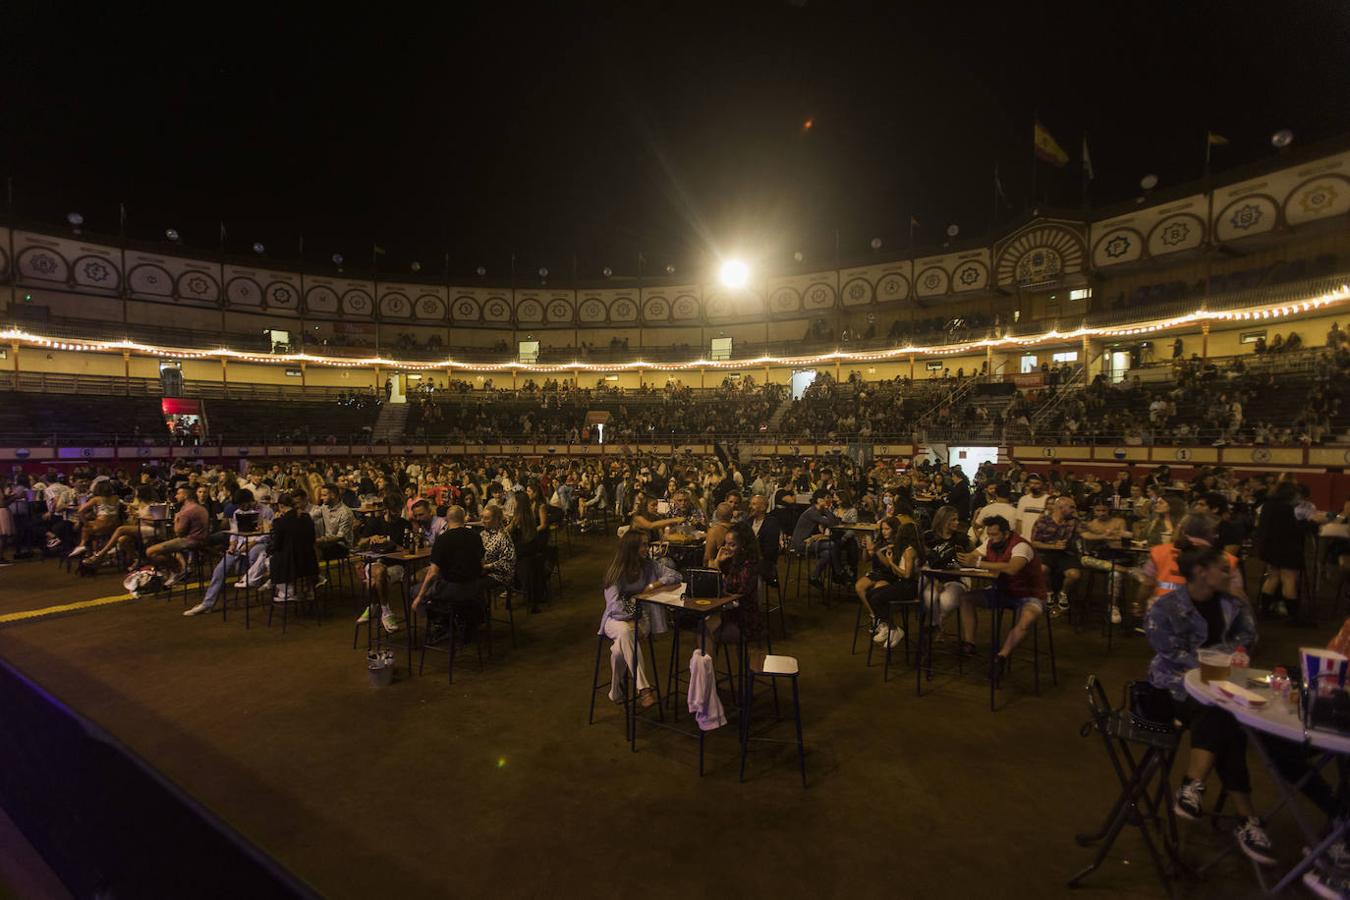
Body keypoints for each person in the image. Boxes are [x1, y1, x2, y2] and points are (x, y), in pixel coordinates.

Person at [1145, 545, 1271, 865]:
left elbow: (1250, 639)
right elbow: (1170, 655)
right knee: (1223, 715)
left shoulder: (1231, 603)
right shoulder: (1166, 608)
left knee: (1223, 718)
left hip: (1220, 690)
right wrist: (1215, 668)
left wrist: (1241, 602)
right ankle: (1246, 819)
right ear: (1201, 571)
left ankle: (1194, 787)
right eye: (1223, 568)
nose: (1230, 574)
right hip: (1172, 691)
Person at [596, 530, 681, 709]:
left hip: (639, 621)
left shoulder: (649, 565)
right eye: (643, 544)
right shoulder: (616, 570)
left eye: (646, 544)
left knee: (620, 648)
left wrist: (652, 585)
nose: (647, 548)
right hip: (615, 621)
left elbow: (675, 575)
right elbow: (614, 606)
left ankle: (615, 690)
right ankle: (643, 689)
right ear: (631, 547)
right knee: (625, 632)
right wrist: (631, 616)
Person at [956, 515, 1047, 681]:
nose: (991, 538)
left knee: (1026, 619)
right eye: (989, 534)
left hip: (1029, 594)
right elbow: (972, 556)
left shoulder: (1020, 546)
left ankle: (1002, 656)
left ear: (1006, 534)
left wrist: (977, 563)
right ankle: (969, 644)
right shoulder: (990, 543)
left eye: (994, 534)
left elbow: (1012, 568)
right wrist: (963, 558)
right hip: (1003, 591)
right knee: (966, 599)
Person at [183, 489, 274, 616]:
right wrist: (232, 544)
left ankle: (255, 580)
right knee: (219, 570)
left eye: (243, 504)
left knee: (254, 555)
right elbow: (234, 533)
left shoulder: (266, 511)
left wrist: (251, 544)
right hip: (240, 545)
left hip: (258, 543)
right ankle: (207, 604)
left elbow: (268, 535)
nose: (241, 507)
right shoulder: (237, 512)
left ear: (250, 501)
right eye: (239, 505)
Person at [412, 505, 484, 644]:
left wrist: (419, 597)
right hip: (473, 587)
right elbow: (481, 565)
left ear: (447, 519)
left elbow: (432, 573)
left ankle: (442, 624)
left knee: (414, 590)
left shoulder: (442, 540)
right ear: (463, 518)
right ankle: (456, 621)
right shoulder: (476, 536)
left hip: (453, 589)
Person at [856, 516, 921, 649]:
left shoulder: (899, 546)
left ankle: (886, 624)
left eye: (887, 529)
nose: (884, 531)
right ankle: (879, 619)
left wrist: (877, 551)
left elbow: (890, 567)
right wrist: (865, 548)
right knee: (860, 587)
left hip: (890, 575)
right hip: (878, 573)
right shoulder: (880, 541)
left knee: (876, 594)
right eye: (882, 529)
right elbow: (865, 560)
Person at [351, 495, 413, 633]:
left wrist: (394, 546)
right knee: (379, 570)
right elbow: (359, 544)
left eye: (399, 510)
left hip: (396, 565)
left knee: (374, 581)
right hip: (375, 563)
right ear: (386, 509)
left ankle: (373, 605)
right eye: (394, 510)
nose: (397, 513)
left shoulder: (404, 524)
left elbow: (408, 549)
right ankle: (386, 612)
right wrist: (370, 538)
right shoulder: (374, 523)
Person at [1255, 481, 1305, 619]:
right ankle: (1293, 616)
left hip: (1268, 547)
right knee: (1289, 578)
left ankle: (1264, 610)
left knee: (1273, 577)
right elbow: (1292, 529)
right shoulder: (1286, 508)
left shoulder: (1267, 505)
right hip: (1286, 548)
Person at [146, 485, 210, 586]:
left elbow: (178, 532)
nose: (176, 496)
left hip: (191, 541)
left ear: (185, 495)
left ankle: (177, 570)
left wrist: (176, 519)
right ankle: (178, 569)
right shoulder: (200, 508)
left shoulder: (186, 511)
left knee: (150, 552)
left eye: (178, 493)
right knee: (164, 547)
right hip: (202, 539)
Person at [1079, 500, 1131, 624]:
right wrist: (1105, 536)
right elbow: (1085, 536)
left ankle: (1114, 606)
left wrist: (1117, 535)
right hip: (1097, 558)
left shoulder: (1119, 521)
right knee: (1084, 560)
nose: (1101, 513)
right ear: (1094, 511)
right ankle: (1127, 571)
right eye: (1098, 510)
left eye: (1104, 510)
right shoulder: (1091, 524)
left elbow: (1124, 537)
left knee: (1116, 574)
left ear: (1109, 510)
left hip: (1116, 556)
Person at [1030, 496, 1082, 618]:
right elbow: (1034, 542)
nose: (1074, 510)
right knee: (1042, 569)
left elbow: (1086, 532)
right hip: (1046, 552)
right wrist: (1053, 546)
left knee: (1074, 574)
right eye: (1072, 507)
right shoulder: (1043, 521)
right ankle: (1049, 592)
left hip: (1066, 554)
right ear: (1061, 508)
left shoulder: (1073, 521)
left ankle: (1063, 593)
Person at [923, 504, 971, 631]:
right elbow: (924, 561)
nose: (957, 522)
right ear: (944, 520)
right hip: (932, 578)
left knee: (946, 601)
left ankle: (937, 624)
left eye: (957, 519)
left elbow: (972, 557)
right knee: (930, 597)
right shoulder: (929, 537)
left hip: (955, 578)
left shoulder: (961, 538)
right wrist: (936, 580)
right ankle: (938, 625)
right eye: (953, 519)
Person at [265, 489, 319, 602]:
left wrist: (268, 549)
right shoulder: (307, 517)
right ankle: (307, 590)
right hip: (309, 561)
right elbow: (312, 538)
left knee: (267, 559)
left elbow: (277, 545)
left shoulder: (279, 522)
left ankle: (288, 592)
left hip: (291, 564)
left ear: (281, 506)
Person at [791, 489, 843, 589]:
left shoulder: (818, 511)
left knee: (828, 554)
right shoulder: (812, 512)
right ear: (819, 500)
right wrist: (827, 509)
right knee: (832, 545)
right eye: (827, 498)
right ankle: (838, 573)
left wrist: (825, 510)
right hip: (801, 544)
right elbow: (832, 523)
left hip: (810, 541)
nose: (830, 500)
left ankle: (814, 576)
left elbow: (835, 522)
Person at [67, 481, 122, 559]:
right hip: (115, 525)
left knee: (85, 528)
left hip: (102, 525)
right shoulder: (116, 497)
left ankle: (83, 546)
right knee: (92, 528)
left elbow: (80, 511)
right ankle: (99, 551)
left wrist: (85, 523)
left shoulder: (96, 499)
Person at [311, 483, 356, 562]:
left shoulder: (345, 512)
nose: (321, 498)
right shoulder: (325, 507)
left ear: (333, 495)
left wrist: (321, 540)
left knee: (314, 548)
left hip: (342, 546)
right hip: (329, 543)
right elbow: (311, 516)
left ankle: (318, 572)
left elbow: (340, 537)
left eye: (324, 495)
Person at [478, 504, 517, 592]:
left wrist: (487, 566)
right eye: (482, 517)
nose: (482, 521)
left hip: (499, 574)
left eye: (486, 518)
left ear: (497, 519)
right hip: (484, 570)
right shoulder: (483, 533)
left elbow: (508, 562)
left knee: (475, 585)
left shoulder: (503, 536)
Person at [1014, 474, 1048, 540]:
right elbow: (1019, 521)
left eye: (1037, 483)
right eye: (1031, 483)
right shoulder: (1023, 499)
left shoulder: (1048, 500)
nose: (1033, 486)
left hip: (1041, 541)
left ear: (1043, 485)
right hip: (1025, 539)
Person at [703, 502, 733, 567]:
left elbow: (708, 557)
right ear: (732, 515)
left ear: (716, 515)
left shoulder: (713, 532)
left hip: (720, 568)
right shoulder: (737, 529)